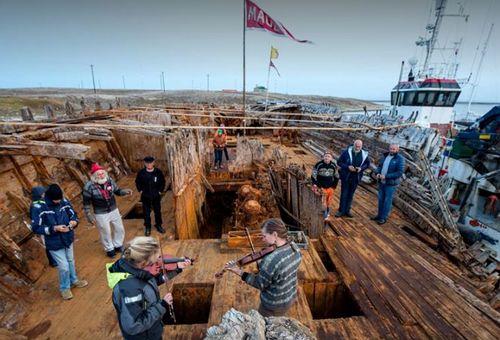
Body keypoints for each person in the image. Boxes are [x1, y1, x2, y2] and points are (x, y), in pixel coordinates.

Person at [107, 236, 190, 340]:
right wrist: (162, 305)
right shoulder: (129, 290)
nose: (159, 264)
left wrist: (177, 268)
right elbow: (133, 326)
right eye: (154, 263)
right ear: (143, 263)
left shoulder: (139, 272)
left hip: (152, 330)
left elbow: (153, 282)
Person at [224, 218, 302, 317]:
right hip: (290, 296)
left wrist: (239, 272)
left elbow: (259, 283)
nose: (263, 239)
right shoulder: (295, 247)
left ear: (275, 235)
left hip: (273, 305)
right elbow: (280, 270)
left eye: (264, 236)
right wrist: (262, 263)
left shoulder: (271, 260)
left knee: (265, 325)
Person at [31, 184, 88, 300]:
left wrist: (73, 222)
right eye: (56, 200)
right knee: (64, 267)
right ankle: (64, 288)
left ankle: (74, 280)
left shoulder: (64, 201)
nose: (59, 202)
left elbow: (73, 214)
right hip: (53, 242)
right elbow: (35, 228)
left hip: (68, 237)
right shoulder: (38, 207)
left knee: (71, 260)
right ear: (49, 198)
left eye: (60, 199)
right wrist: (54, 228)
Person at [83, 163, 132, 258]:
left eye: (102, 173)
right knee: (105, 231)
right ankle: (109, 249)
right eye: (99, 174)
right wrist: (89, 215)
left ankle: (118, 245)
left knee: (119, 228)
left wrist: (124, 191)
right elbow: (86, 203)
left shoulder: (109, 180)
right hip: (101, 213)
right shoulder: (88, 186)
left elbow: (117, 191)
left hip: (113, 209)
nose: (101, 175)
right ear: (94, 176)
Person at [371, 144, 405, 225]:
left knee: (387, 201)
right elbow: (380, 166)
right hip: (381, 182)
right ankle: (379, 215)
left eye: (394, 149)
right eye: (391, 148)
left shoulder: (400, 159)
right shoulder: (385, 156)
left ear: (397, 150)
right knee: (380, 199)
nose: (392, 150)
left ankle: (383, 218)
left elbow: (399, 172)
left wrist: (386, 176)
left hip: (390, 184)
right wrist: (377, 173)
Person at [336, 140, 370, 218]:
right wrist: (347, 167)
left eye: (359, 146)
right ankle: (341, 210)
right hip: (346, 176)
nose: (357, 147)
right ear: (353, 144)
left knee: (351, 195)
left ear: (361, 146)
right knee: (344, 194)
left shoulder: (364, 154)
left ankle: (347, 210)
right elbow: (339, 162)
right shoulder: (346, 152)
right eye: (356, 146)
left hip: (356, 177)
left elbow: (367, 164)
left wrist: (361, 168)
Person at [135, 156, 166, 236]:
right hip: (146, 195)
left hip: (156, 195)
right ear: (145, 163)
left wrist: (160, 191)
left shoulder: (158, 172)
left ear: (153, 163)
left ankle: (158, 225)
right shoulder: (141, 173)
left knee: (157, 211)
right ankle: (148, 227)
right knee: (146, 212)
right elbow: (137, 182)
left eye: (150, 163)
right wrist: (140, 190)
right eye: (147, 163)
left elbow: (163, 182)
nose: (149, 164)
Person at [30, 186, 58, 267]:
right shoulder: (35, 206)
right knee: (47, 244)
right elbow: (34, 218)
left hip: (49, 225)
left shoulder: (43, 202)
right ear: (39, 195)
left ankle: (55, 259)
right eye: (43, 193)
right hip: (43, 227)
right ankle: (52, 261)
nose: (45, 194)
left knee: (53, 241)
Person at [311, 151, 339, 221]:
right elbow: (313, 175)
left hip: (330, 186)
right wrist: (316, 184)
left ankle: (327, 211)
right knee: (323, 201)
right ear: (323, 157)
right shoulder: (319, 164)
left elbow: (337, 176)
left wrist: (334, 186)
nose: (327, 157)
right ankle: (325, 215)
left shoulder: (333, 165)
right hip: (321, 186)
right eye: (326, 156)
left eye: (329, 156)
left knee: (329, 201)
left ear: (331, 158)